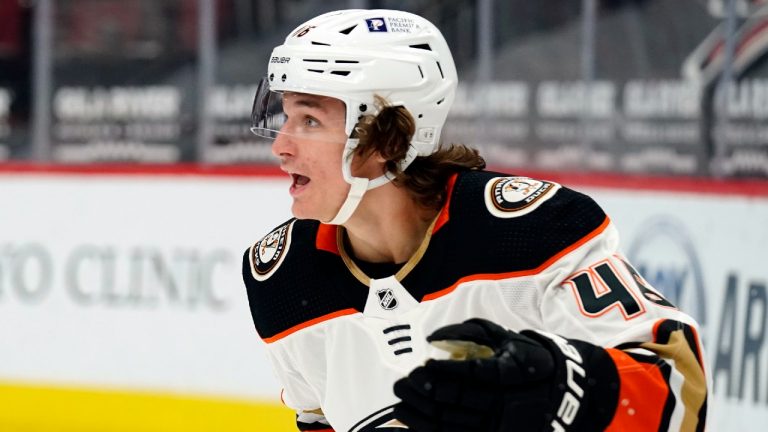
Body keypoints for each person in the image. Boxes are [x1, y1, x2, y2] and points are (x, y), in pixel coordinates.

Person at [242, 9, 709, 432]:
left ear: (387, 138)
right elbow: (319, 420)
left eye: (310, 121)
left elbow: (678, 388)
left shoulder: (533, 232)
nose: (280, 147)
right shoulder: (283, 280)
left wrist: (561, 386)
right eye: (286, 116)